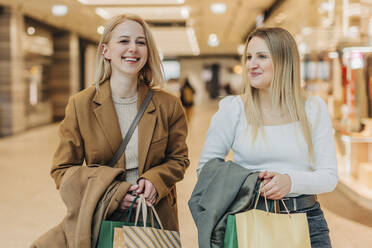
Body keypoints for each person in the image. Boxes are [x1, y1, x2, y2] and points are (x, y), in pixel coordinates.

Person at [50, 13, 188, 238]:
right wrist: (113, 193)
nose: (133, 48)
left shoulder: (168, 104)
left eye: (140, 42)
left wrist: (155, 180)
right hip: (102, 219)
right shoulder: (81, 105)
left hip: (155, 219)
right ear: (106, 51)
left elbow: (179, 159)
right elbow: (62, 170)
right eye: (124, 41)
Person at [198, 27, 337, 248]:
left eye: (262, 56)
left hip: (307, 221)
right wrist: (250, 183)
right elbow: (205, 168)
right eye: (249, 57)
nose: (252, 64)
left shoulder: (313, 108)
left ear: (284, 61)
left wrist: (290, 181)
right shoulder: (233, 109)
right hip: (251, 219)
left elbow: (329, 177)